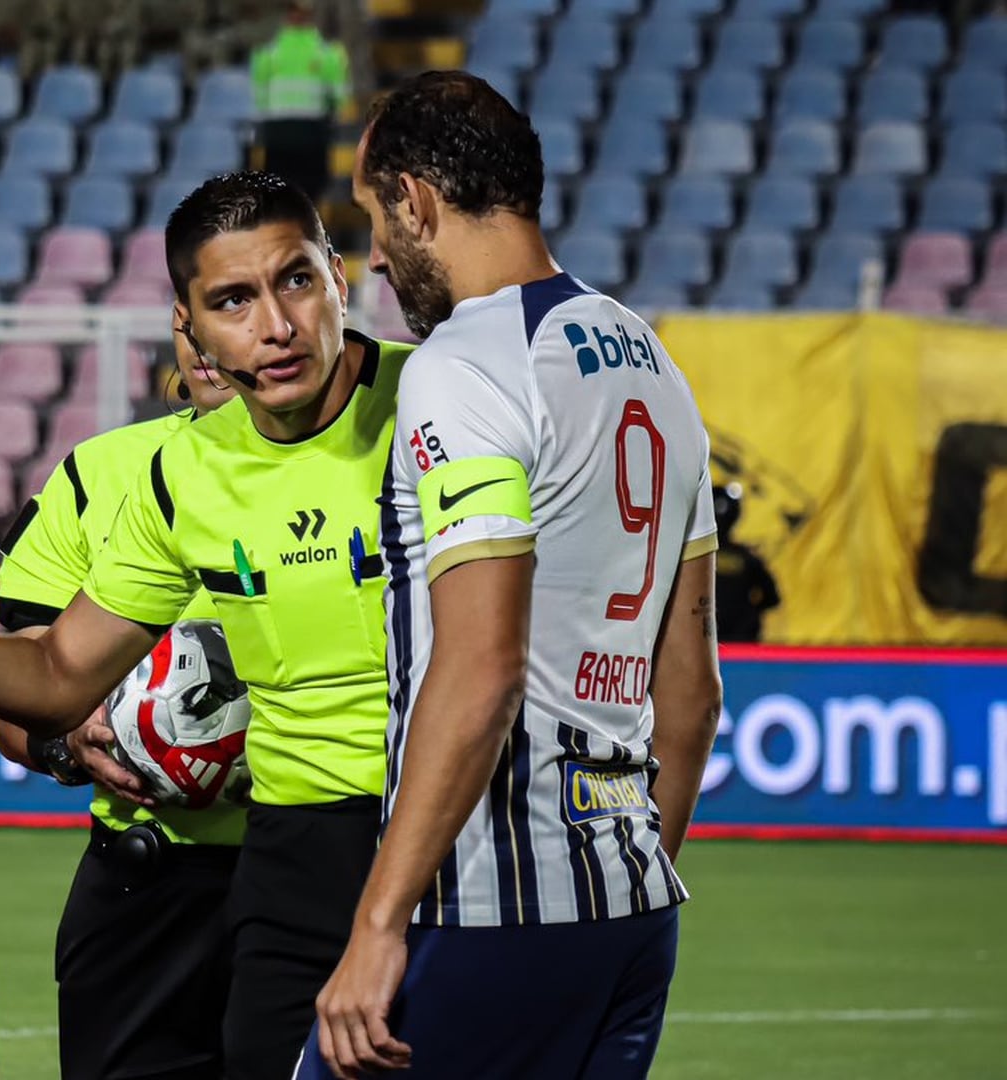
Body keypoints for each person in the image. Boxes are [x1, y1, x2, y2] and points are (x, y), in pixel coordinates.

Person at [0, 171, 414, 1078]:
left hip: (418, 858)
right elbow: (50, 677)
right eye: (230, 301)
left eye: (295, 282)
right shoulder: (149, 477)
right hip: (188, 871)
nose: (274, 326)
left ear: (340, 276)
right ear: (188, 322)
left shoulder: (441, 406)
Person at [300, 71, 724, 1078]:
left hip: (490, 906)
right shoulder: (655, 368)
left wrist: (378, 923)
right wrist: (616, 878)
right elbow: (693, 694)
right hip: (629, 907)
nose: (374, 259)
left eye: (373, 219)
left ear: (420, 201)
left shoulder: (467, 365)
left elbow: (481, 667)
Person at [0, 323, 240, 1079]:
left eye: (231, 310)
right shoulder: (97, 474)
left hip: (320, 869)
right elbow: (15, 699)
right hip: (144, 883)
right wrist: (66, 746)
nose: (206, 344)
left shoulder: (374, 465)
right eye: (189, 319)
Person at [250, 0, 350, 201]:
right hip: (311, 130)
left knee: (281, 196)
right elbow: (339, 95)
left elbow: (259, 93)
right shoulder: (326, 51)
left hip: (280, 131)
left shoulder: (269, 51)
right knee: (310, 195)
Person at [712, 483, 779, 643]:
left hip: (706, 640)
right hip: (740, 640)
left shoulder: (690, 556)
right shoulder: (747, 558)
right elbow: (772, 597)